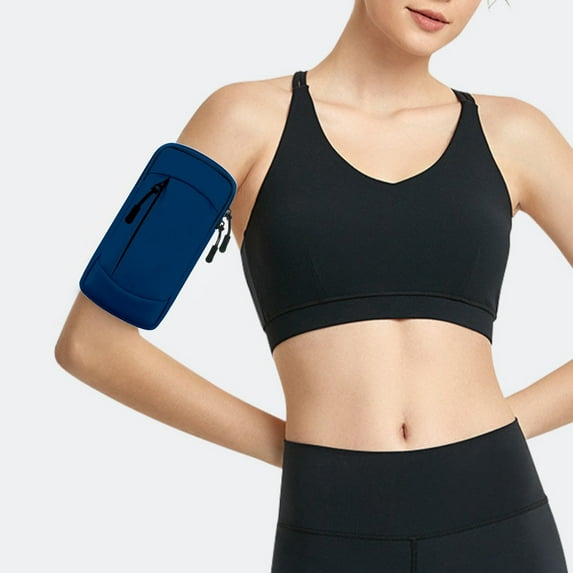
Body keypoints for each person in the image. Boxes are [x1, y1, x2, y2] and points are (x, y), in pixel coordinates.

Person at [55, 0, 572, 570]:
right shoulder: (240, 119)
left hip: (499, 510)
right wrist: (296, 448)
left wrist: (498, 433)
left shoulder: (517, 133)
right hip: (331, 518)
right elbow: (91, 342)